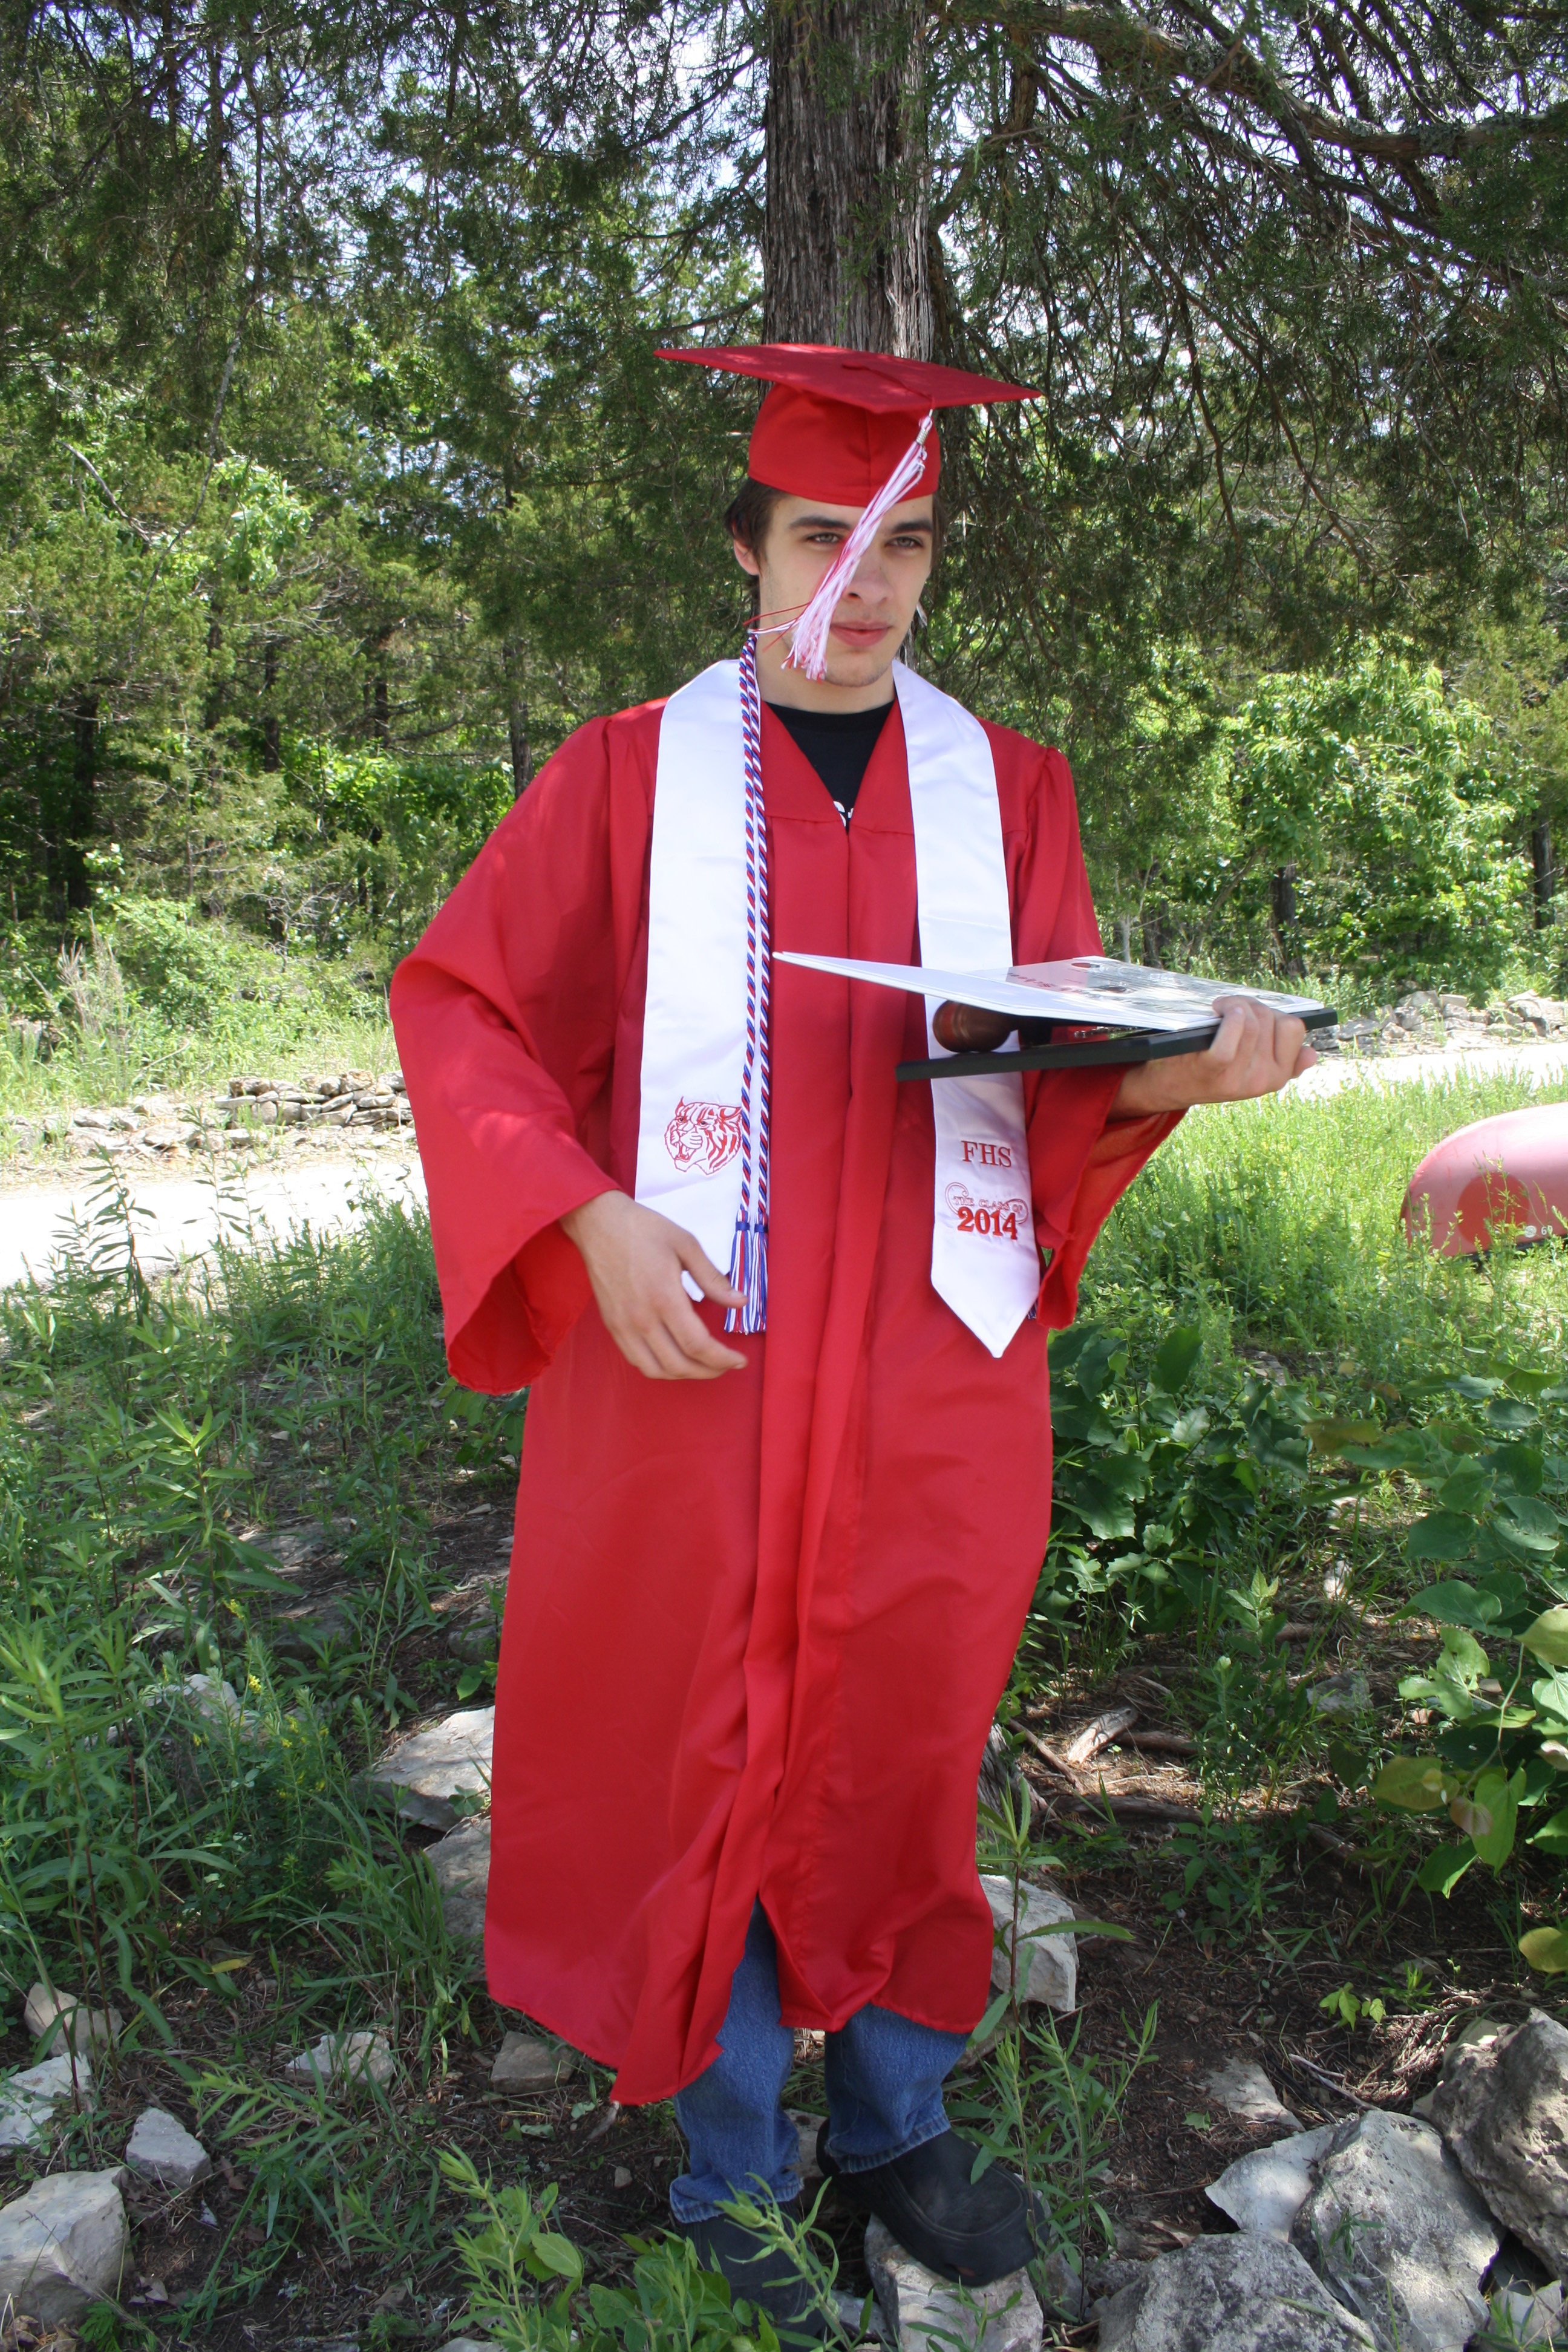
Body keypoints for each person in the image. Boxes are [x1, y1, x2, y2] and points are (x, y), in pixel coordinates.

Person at [390, 344, 1315, 2331]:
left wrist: (1188, 1075)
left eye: (907, 543)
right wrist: (581, 1213)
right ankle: (733, 2168)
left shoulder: (1011, 788)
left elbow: (1056, 1066)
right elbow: (464, 1010)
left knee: (905, 1734)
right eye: (828, 536)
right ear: (749, 547)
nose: (868, 582)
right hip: (692, 1360)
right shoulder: (624, 777)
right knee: (695, 1754)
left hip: (931, 1367)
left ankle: (897, 2124)